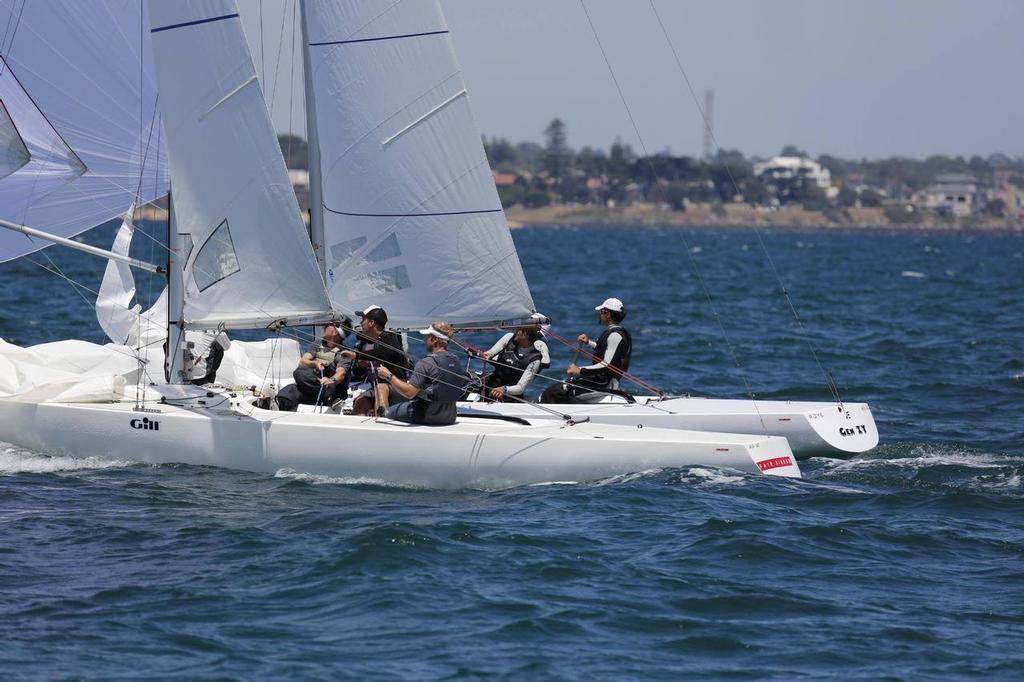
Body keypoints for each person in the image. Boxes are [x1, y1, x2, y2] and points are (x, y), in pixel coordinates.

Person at [540, 297, 632, 404]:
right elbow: (606, 350)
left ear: (607, 314)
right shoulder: (614, 332)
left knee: (555, 393)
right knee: (556, 388)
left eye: (601, 312)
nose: (600, 315)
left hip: (604, 383)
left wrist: (579, 370)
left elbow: (607, 365)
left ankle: (572, 418)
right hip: (599, 380)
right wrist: (589, 342)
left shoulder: (615, 335)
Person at [376, 322, 466, 425]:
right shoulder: (456, 360)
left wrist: (388, 375)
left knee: (385, 412)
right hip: (450, 417)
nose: (425, 340)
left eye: (427, 337)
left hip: (426, 416)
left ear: (434, 339)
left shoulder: (426, 363)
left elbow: (409, 393)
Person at [342, 305, 411, 416]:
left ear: (371, 323)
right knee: (360, 401)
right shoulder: (365, 343)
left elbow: (382, 354)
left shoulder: (390, 339)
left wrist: (356, 355)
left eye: (363, 319)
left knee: (381, 388)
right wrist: (361, 365)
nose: (360, 323)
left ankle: (383, 422)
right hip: (376, 388)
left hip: (397, 389)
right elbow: (358, 373)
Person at [276, 322, 351, 412]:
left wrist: (331, 380)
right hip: (312, 383)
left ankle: (327, 400)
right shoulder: (319, 343)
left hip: (330, 387)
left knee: (299, 373)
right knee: (285, 394)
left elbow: (341, 373)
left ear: (335, 332)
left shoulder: (344, 352)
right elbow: (302, 362)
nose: (324, 326)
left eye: (328, 325)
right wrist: (315, 363)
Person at [476, 324, 546, 402]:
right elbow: (491, 352)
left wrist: (504, 389)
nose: (516, 331)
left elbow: (521, 388)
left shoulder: (535, 360)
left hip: (509, 395)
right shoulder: (509, 337)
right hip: (490, 384)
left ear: (525, 334)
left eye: (519, 329)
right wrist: (485, 355)